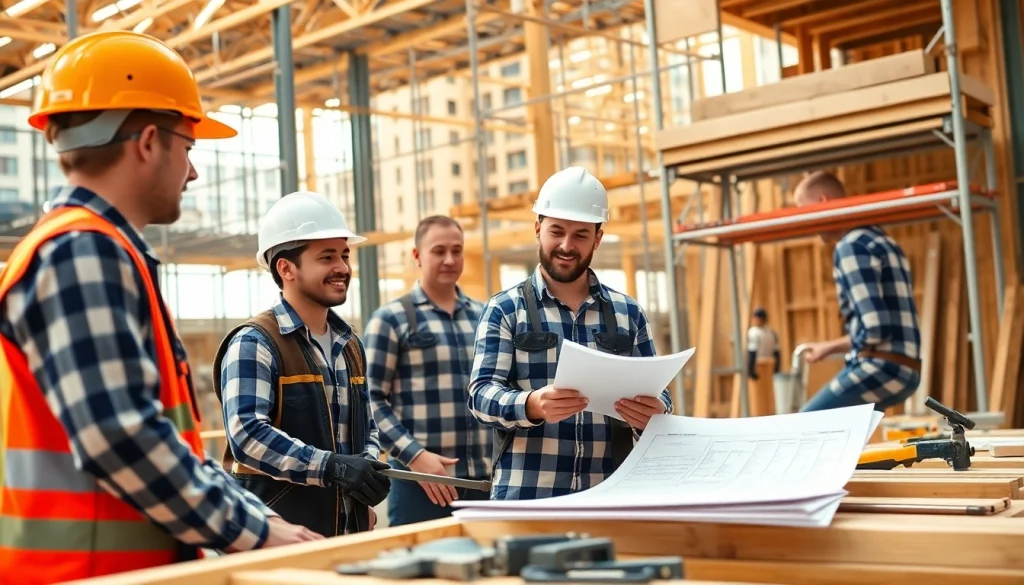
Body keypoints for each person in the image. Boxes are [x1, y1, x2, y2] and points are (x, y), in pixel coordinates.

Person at [0, 31, 320, 585]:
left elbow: (159, 435)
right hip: (87, 571)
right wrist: (257, 531)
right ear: (148, 141)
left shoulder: (97, 250)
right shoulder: (83, 251)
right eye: (188, 148)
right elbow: (121, 435)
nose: (193, 173)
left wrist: (261, 519)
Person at [467, 166, 672, 501]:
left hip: (608, 496)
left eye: (580, 235)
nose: (566, 245)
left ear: (598, 238)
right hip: (528, 497)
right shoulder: (505, 309)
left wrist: (656, 413)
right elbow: (480, 396)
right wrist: (530, 404)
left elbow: (661, 395)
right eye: (556, 231)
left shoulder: (627, 314)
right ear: (538, 229)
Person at [214, 190, 390, 537]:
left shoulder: (350, 344)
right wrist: (333, 467)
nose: (342, 267)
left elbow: (366, 426)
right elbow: (247, 435)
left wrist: (366, 470)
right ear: (286, 268)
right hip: (278, 536)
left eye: (344, 255)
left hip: (346, 531)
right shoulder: (255, 343)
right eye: (326, 257)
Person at [363, 215, 492, 526]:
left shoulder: (486, 317)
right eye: (439, 251)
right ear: (417, 256)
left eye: (457, 250)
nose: (450, 260)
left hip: (485, 484)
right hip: (419, 485)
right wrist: (416, 456)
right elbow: (369, 401)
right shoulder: (391, 319)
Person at [792, 170, 922, 412]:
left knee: (805, 426)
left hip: (882, 367)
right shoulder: (881, 240)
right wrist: (828, 347)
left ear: (823, 202)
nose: (805, 222)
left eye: (804, 211)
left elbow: (875, 328)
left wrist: (837, 347)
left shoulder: (851, 246)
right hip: (908, 370)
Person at [747, 307, 781, 380]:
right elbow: (777, 352)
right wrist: (777, 369)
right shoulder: (772, 333)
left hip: (758, 366)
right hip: (770, 366)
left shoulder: (753, 333)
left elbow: (752, 352)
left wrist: (751, 371)